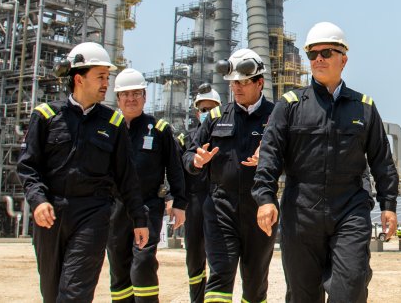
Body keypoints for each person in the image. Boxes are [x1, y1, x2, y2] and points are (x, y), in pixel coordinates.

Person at [253, 22, 399, 303]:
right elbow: (270, 155)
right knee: (302, 296)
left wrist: (388, 205)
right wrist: (265, 198)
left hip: (349, 210)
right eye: (312, 54)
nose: (318, 59)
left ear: (343, 59)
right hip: (301, 213)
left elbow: (382, 160)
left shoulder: (363, 107)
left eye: (326, 53)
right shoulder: (290, 105)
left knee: (351, 286)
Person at [18, 41, 149, 303]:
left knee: (75, 293)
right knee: (52, 293)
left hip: (92, 214)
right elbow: (28, 166)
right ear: (79, 79)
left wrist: (139, 218)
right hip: (51, 215)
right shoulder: (45, 116)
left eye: (107, 77)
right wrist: (38, 200)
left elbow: (127, 177)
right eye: (101, 77)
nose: (106, 84)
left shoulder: (112, 123)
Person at [187, 48, 277, 303]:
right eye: (233, 83)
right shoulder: (216, 117)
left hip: (259, 211)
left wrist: (270, 157)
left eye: (243, 82)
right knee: (219, 277)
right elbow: (190, 153)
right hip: (220, 209)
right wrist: (196, 161)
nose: (236, 88)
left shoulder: (276, 117)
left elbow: (294, 158)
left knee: (255, 283)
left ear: (259, 82)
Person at [106, 68, 189, 302]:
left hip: (148, 206)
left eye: (136, 94)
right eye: (125, 94)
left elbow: (175, 168)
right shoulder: (108, 129)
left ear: (145, 96)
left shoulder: (159, 129)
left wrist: (178, 202)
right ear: (118, 98)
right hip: (115, 208)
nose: (131, 99)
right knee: (118, 266)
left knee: (143, 263)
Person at [179, 85, 222, 303]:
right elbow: (176, 172)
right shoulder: (186, 139)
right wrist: (174, 200)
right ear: (197, 112)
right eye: (203, 109)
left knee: (219, 257)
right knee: (195, 256)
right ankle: (196, 299)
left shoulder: (225, 137)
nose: (207, 113)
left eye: (212, 108)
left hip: (217, 201)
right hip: (194, 201)